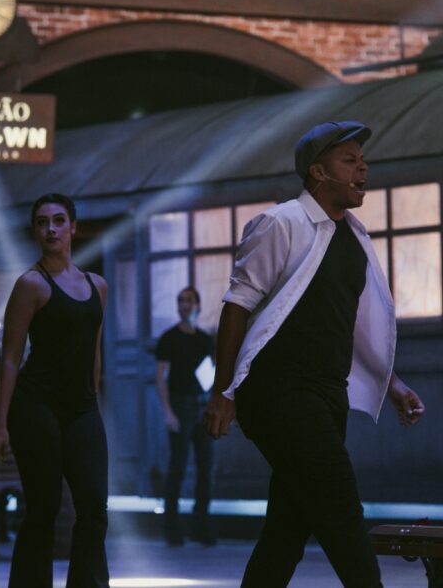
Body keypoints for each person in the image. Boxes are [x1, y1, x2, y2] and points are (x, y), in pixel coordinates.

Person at [203, 121, 426, 588]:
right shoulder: (282, 223)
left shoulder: (354, 238)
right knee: (340, 507)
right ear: (318, 172)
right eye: (349, 161)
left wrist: (393, 383)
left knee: (289, 525)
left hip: (327, 393)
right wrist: (223, 391)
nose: (362, 169)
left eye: (363, 160)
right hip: (278, 391)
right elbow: (237, 304)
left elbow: (350, 325)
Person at [0, 193, 109, 588]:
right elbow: (10, 358)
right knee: (43, 509)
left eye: (59, 221)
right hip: (35, 404)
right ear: (35, 232)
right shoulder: (31, 284)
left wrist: (93, 402)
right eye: (42, 223)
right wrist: (0, 426)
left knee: (94, 507)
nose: (51, 229)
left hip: (82, 408)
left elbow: (94, 351)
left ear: (73, 227)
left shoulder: (97, 285)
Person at [155, 286, 216, 547]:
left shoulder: (204, 339)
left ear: (198, 306)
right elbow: (161, 378)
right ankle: (171, 528)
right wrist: (168, 411)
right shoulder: (169, 339)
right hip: (180, 406)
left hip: (202, 407)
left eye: (189, 300)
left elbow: (211, 375)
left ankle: (200, 526)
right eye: (181, 300)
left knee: (206, 469)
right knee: (177, 469)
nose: (184, 304)